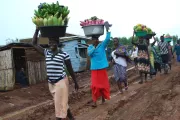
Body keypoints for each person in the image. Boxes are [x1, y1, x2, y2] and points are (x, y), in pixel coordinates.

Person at [32, 28, 79, 120]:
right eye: (50, 42)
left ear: (57, 43)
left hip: (60, 82)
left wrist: (75, 81)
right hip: (51, 83)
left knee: (58, 104)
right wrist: (37, 30)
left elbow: (70, 69)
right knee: (62, 102)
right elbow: (34, 44)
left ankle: (59, 118)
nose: (51, 44)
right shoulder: (46, 53)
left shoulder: (64, 54)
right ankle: (71, 117)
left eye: (54, 42)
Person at [87, 21, 111, 108]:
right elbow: (89, 54)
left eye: (96, 39)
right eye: (94, 39)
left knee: (103, 85)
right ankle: (94, 101)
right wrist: (94, 46)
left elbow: (108, 39)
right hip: (94, 69)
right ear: (92, 40)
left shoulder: (102, 45)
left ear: (98, 39)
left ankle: (103, 98)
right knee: (95, 86)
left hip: (102, 69)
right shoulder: (90, 47)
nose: (95, 40)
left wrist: (107, 29)